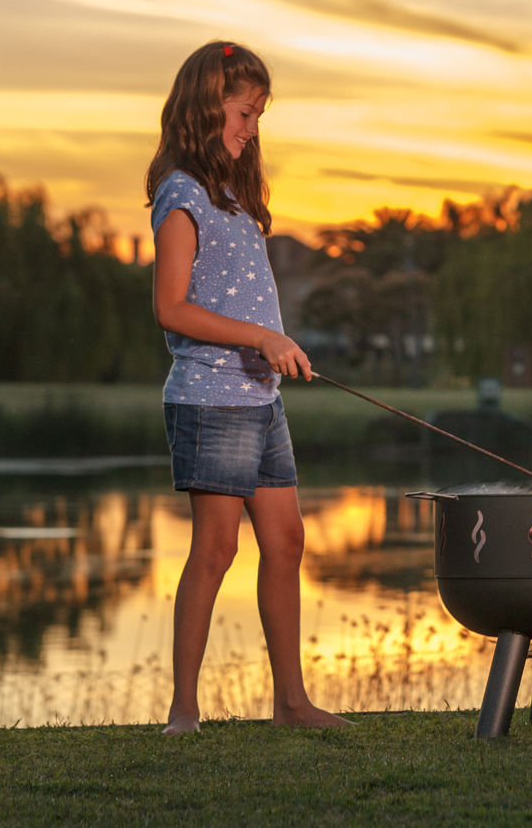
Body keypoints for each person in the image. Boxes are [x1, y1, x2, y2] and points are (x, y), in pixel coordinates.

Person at [145, 40, 349, 735]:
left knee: (287, 540)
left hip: (259, 398)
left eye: (258, 115)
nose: (251, 127)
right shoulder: (182, 193)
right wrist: (262, 338)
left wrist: (273, 347)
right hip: (210, 396)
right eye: (243, 112)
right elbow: (172, 308)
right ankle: (182, 711)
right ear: (207, 105)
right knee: (216, 548)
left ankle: (292, 703)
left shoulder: (234, 195)